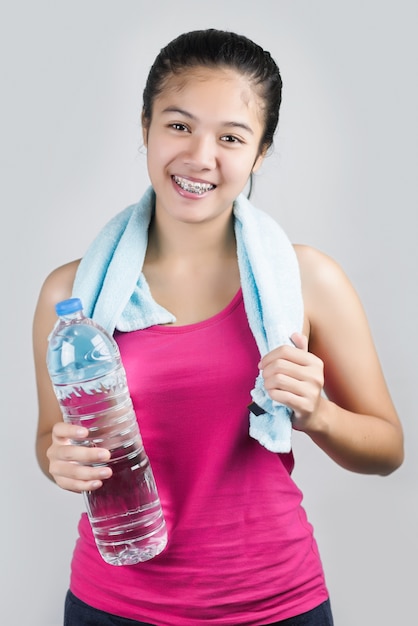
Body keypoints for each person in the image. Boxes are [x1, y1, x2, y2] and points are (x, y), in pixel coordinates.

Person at [32, 28, 404, 626]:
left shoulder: (307, 280)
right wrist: (59, 460)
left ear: (259, 154)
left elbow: (388, 450)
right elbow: (52, 436)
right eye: (178, 125)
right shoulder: (72, 295)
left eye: (231, 137)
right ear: (146, 128)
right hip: (113, 605)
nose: (200, 157)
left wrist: (319, 415)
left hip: (276, 604)